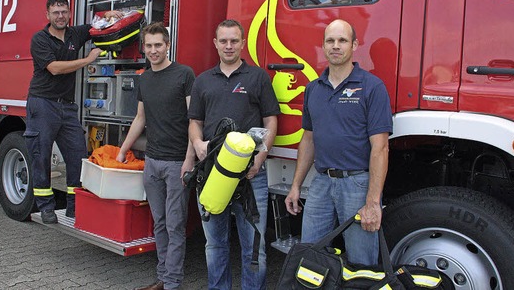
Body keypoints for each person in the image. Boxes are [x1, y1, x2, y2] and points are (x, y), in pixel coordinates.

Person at [284, 19, 393, 265]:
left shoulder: (371, 87)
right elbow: (309, 139)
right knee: (309, 256)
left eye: (342, 40)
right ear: (323, 46)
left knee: (361, 262)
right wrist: (296, 185)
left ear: (354, 45)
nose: (336, 46)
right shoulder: (314, 88)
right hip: (321, 183)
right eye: (330, 41)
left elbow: (381, 147)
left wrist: (373, 202)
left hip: (357, 185)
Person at [188, 19, 280, 290]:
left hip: (251, 176)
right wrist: (197, 144)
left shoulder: (258, 77)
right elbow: (195, 122)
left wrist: (259, 160)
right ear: (215, 44)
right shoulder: (203, 80)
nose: (229, 46)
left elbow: (271, 122)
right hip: (212, 175)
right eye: (223, 41)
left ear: (242, 43)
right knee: (215, 244)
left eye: (234, 41)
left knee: (254, 246)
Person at [25, 0, 121, 224]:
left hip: (66, 107)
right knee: (42, 156)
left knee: (78, 155)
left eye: (64, 12)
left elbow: (94, 27)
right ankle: (46, 207)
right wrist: (88, 60)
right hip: (42, 103)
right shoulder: (40, 39)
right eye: (56, 12)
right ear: (47, 15)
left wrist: (107, 15)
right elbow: (55, 68)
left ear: (69, 13)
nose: (60, 16)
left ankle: (74, 207)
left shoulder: (73, 34)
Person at [115, 22, 196, 290]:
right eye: (148, 46)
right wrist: (124, 149)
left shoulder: (184, 75)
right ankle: (163, 278)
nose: (153, 50)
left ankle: (172, 283)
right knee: (159, 224)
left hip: (176, 163)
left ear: (167, 44)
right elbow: (141, 118)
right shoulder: (145, 78)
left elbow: (193, 121)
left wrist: (189, 159)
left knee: (175, 226)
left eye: (158, 45)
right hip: (152, 162)